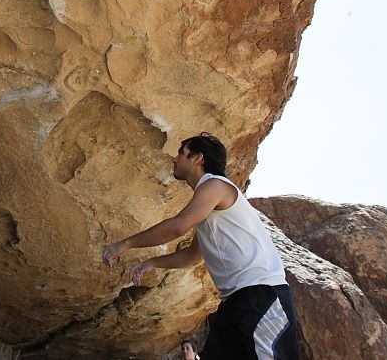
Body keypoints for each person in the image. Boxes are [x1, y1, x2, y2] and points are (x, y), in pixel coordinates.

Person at [102, 133, 301, 360]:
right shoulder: (207, 205)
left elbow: (177, 226)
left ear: (197, 158)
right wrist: (152, 263)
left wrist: (126, 243)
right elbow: (192, 255)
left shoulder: (216, 185)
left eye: (180, 152)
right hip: (234, 302)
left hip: (261, 294)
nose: (174, 158)